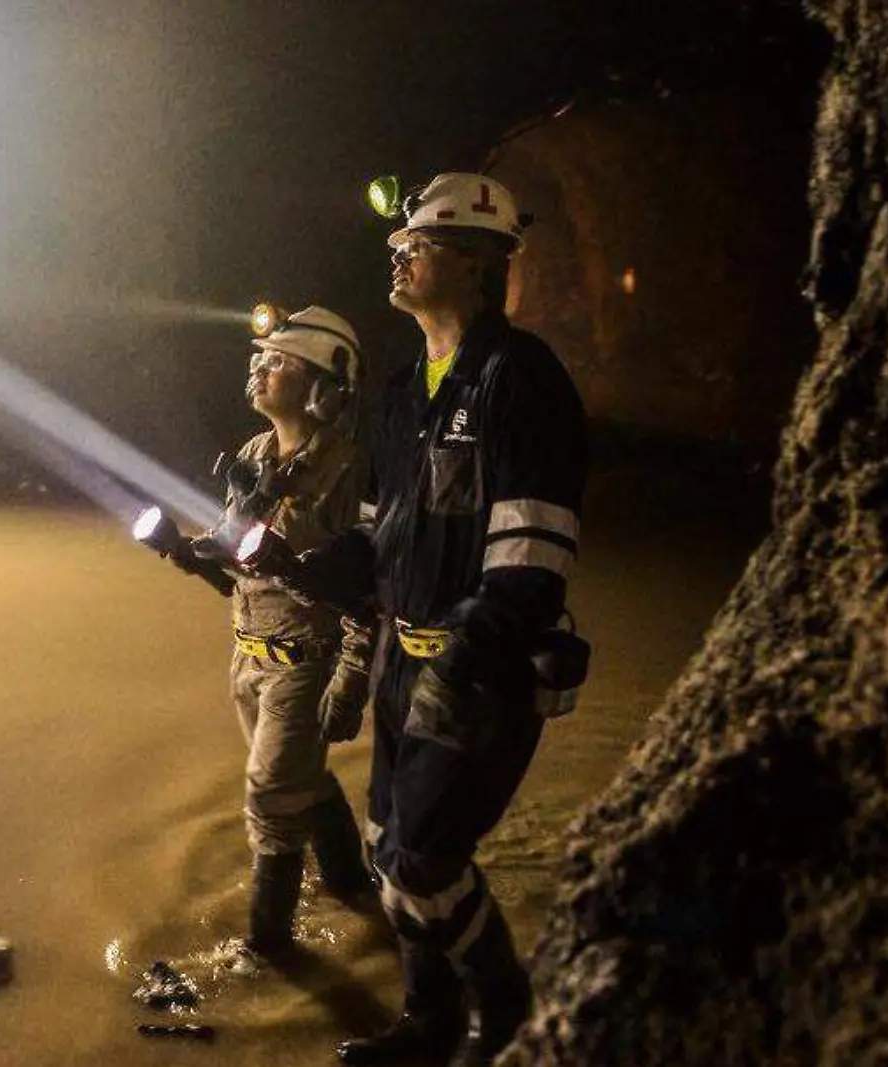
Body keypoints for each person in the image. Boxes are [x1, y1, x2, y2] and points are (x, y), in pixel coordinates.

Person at [327, 174, 589, 1066]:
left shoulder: (522, 379)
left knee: (427, 863)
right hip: (406, 663)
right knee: (385, 849)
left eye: (421, 245)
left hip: (482, 671)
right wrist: (315, 568)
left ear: (478, 265)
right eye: (399, 244)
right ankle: (427, 1022)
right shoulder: (403, 393)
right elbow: (380, 535)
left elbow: (533, 557)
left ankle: (506, 1018)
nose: (398, 256)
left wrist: (463, 661)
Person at [197, 305, 379, 958]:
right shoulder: (252, 453)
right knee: (299, 776)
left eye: (278, 362)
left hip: (308, 659)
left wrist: (352, 680)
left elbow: (367, 585)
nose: (260, 369)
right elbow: (233, 544)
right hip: (248, 655)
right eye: (261, 359)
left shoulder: (350, 468)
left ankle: (268, 948)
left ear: (323, 388)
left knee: (271, 794)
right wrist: (189, 550)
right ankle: (350, 879)